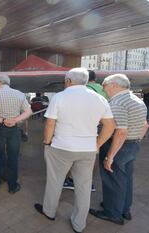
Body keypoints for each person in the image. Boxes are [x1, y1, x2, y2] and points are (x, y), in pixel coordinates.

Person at [34, 68, 115, 233]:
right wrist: (97, 144)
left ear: (69, 81)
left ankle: (49, 212)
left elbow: (50, 124)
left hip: (61, 147)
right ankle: (79, 224)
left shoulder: (60, 97)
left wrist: (47, 142)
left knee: (55, 181)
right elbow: (110, 126)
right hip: (87, 150)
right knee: (83, 187)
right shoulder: (100, 99)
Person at [89, 74, 149, 225]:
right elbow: (145, 125)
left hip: (118, 146)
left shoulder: (117, 103)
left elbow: (120, 132)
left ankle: (113, 213)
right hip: (132, 145)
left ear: (114, 85)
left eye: (105, 86)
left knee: (112, 180)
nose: (104, 90)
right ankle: (124, 209)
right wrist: (135, 141)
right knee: (125, 178)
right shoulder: (136, 100)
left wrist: (110, 156)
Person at [0, 74, 32, 193]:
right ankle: (12, 187)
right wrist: (15, 120)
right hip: (14, 129)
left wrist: (3, 120)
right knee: (13, 157)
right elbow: (28, 111)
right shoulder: (20, 94)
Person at [63, 70, 107, 191]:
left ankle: (72, 180)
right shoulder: (103, 90)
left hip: (83, 127)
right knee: (91, 157)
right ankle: (89, 183)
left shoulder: (86, 90)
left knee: (75, 156)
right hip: (99, 126)